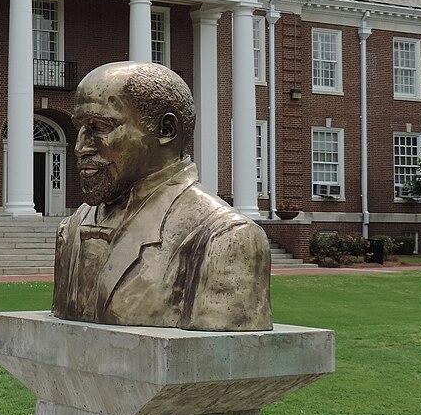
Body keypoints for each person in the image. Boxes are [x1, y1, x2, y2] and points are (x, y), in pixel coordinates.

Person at [53, 61, 271, 331]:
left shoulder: (226, 237)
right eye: (80, 128)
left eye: (100, 127)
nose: (80, 147)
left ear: (166, 130)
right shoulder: (71, 229)